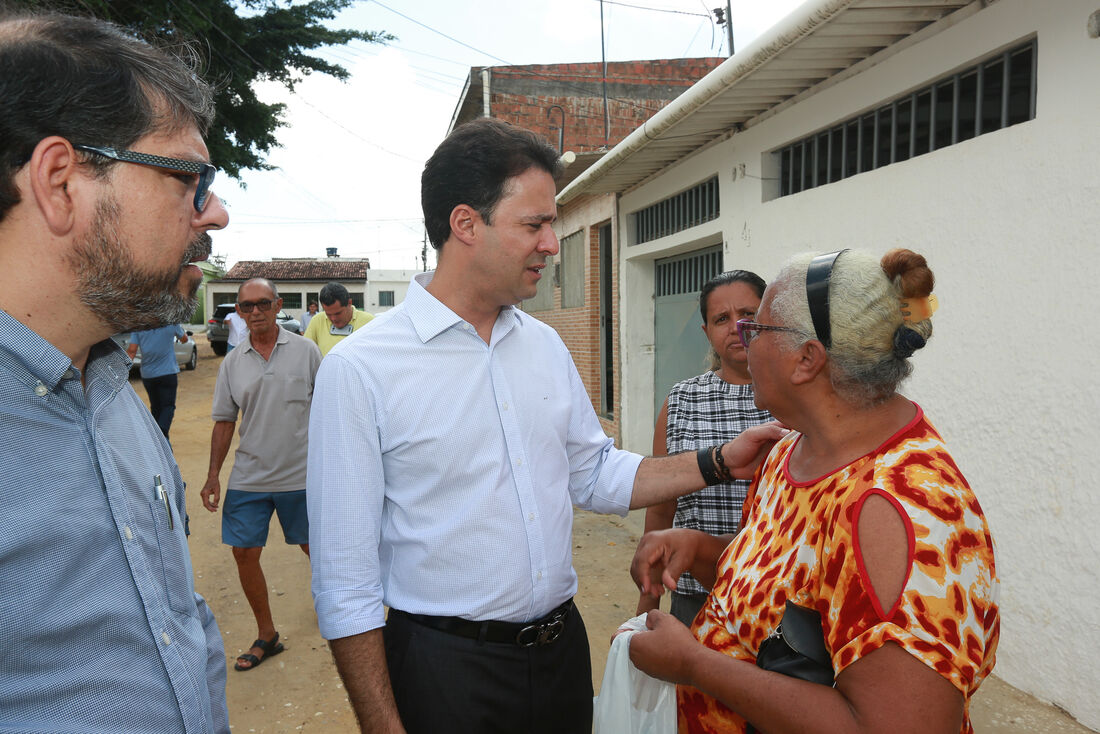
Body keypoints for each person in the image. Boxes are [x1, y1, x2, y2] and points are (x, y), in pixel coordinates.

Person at [307, 118, 786, 734]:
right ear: (465, 224)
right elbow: (344, 581)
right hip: (445, 671)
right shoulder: (362, 370)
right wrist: (382, 725)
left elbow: (594, 474)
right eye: (534, 224)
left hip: (560, 656)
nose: (553, 243)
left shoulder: (543, 346)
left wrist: (718, 460)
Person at [628, 249, 999, 734]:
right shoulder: (789, 452)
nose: (743, 340)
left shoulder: (903, 508)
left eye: (756, 329)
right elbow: (777, 591)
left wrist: (695, 666)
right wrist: (698, 548)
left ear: (807, 360)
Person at [0, 10, 231, 732]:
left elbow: (177, 627)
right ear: (62, 181)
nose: (215, 212)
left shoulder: (111, 394)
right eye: (190, 178)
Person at [637, 270, 773, 627]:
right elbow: (662, 505)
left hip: (777, 595)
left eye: (749, 315)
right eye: (721, 319)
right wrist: (648, 601)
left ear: (770, 320)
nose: (736, 327)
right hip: (695, 598)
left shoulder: (796, 397)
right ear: (706, 332)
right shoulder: (682, 400)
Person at [200, 278, 321, 671]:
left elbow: (328, 413)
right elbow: (224, 421)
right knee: (244, 553)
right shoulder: (233, 363)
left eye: (263, 304)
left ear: (278, 305)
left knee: (314, 550)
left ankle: (344, 613)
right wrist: (214, 475)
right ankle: (266, 633)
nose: (255, 312)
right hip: (249, 476)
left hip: (300, 475)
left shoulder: (306, 352)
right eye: (246, 306)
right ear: (238, 312)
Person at [128, 323, 190, 439]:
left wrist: (122, 370)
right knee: (168, 406)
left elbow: (132, 350)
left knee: (156, 407)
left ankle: (157, 439)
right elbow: (184, 339)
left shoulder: (139, 326)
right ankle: (161, 435)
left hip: (148, 374)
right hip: (168, 372)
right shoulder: (171, 323)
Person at [302, 281, 372, 355]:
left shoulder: (369, 322)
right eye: (328, 314)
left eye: (338, 313)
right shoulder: (317, 321)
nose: (333, 319)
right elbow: (305, 351)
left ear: (349, 303)